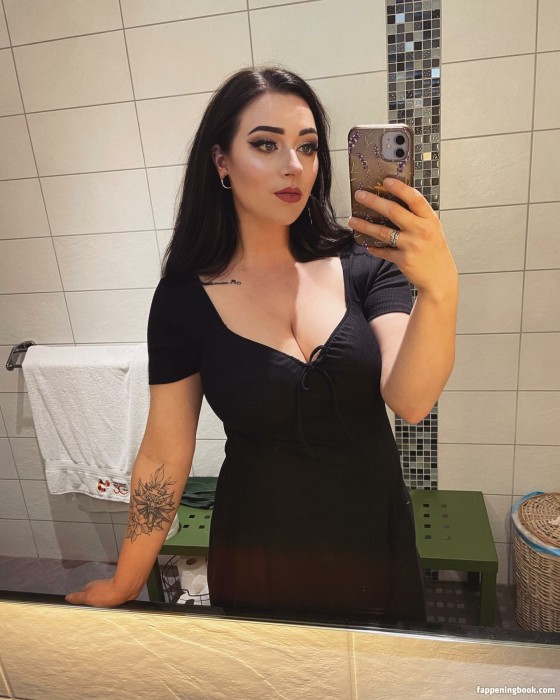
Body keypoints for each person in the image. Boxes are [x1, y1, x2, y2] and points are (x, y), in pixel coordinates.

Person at [66, 65, 458, 624]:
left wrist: (441, 289)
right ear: (221, 161)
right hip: (258, 551)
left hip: (373, 541)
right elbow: (163, 454)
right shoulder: (183, 298)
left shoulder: (365, 263)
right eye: (266, 144)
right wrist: (126, 580)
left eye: (307, 146)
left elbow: (411, 399)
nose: (293, 165)